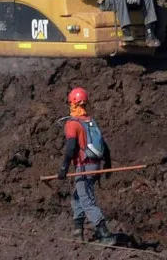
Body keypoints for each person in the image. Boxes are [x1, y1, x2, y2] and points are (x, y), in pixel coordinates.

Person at [58, 87, 114, 242]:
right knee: (77, 197)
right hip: (95, 166)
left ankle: (105, 234)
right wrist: (107, 164)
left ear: (72, 103)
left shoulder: (72, 124)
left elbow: (70, 147)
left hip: (84, 167)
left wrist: (64, 167)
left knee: (87, 200)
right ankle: (78, 231)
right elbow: (104, 144)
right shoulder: (90, 121)